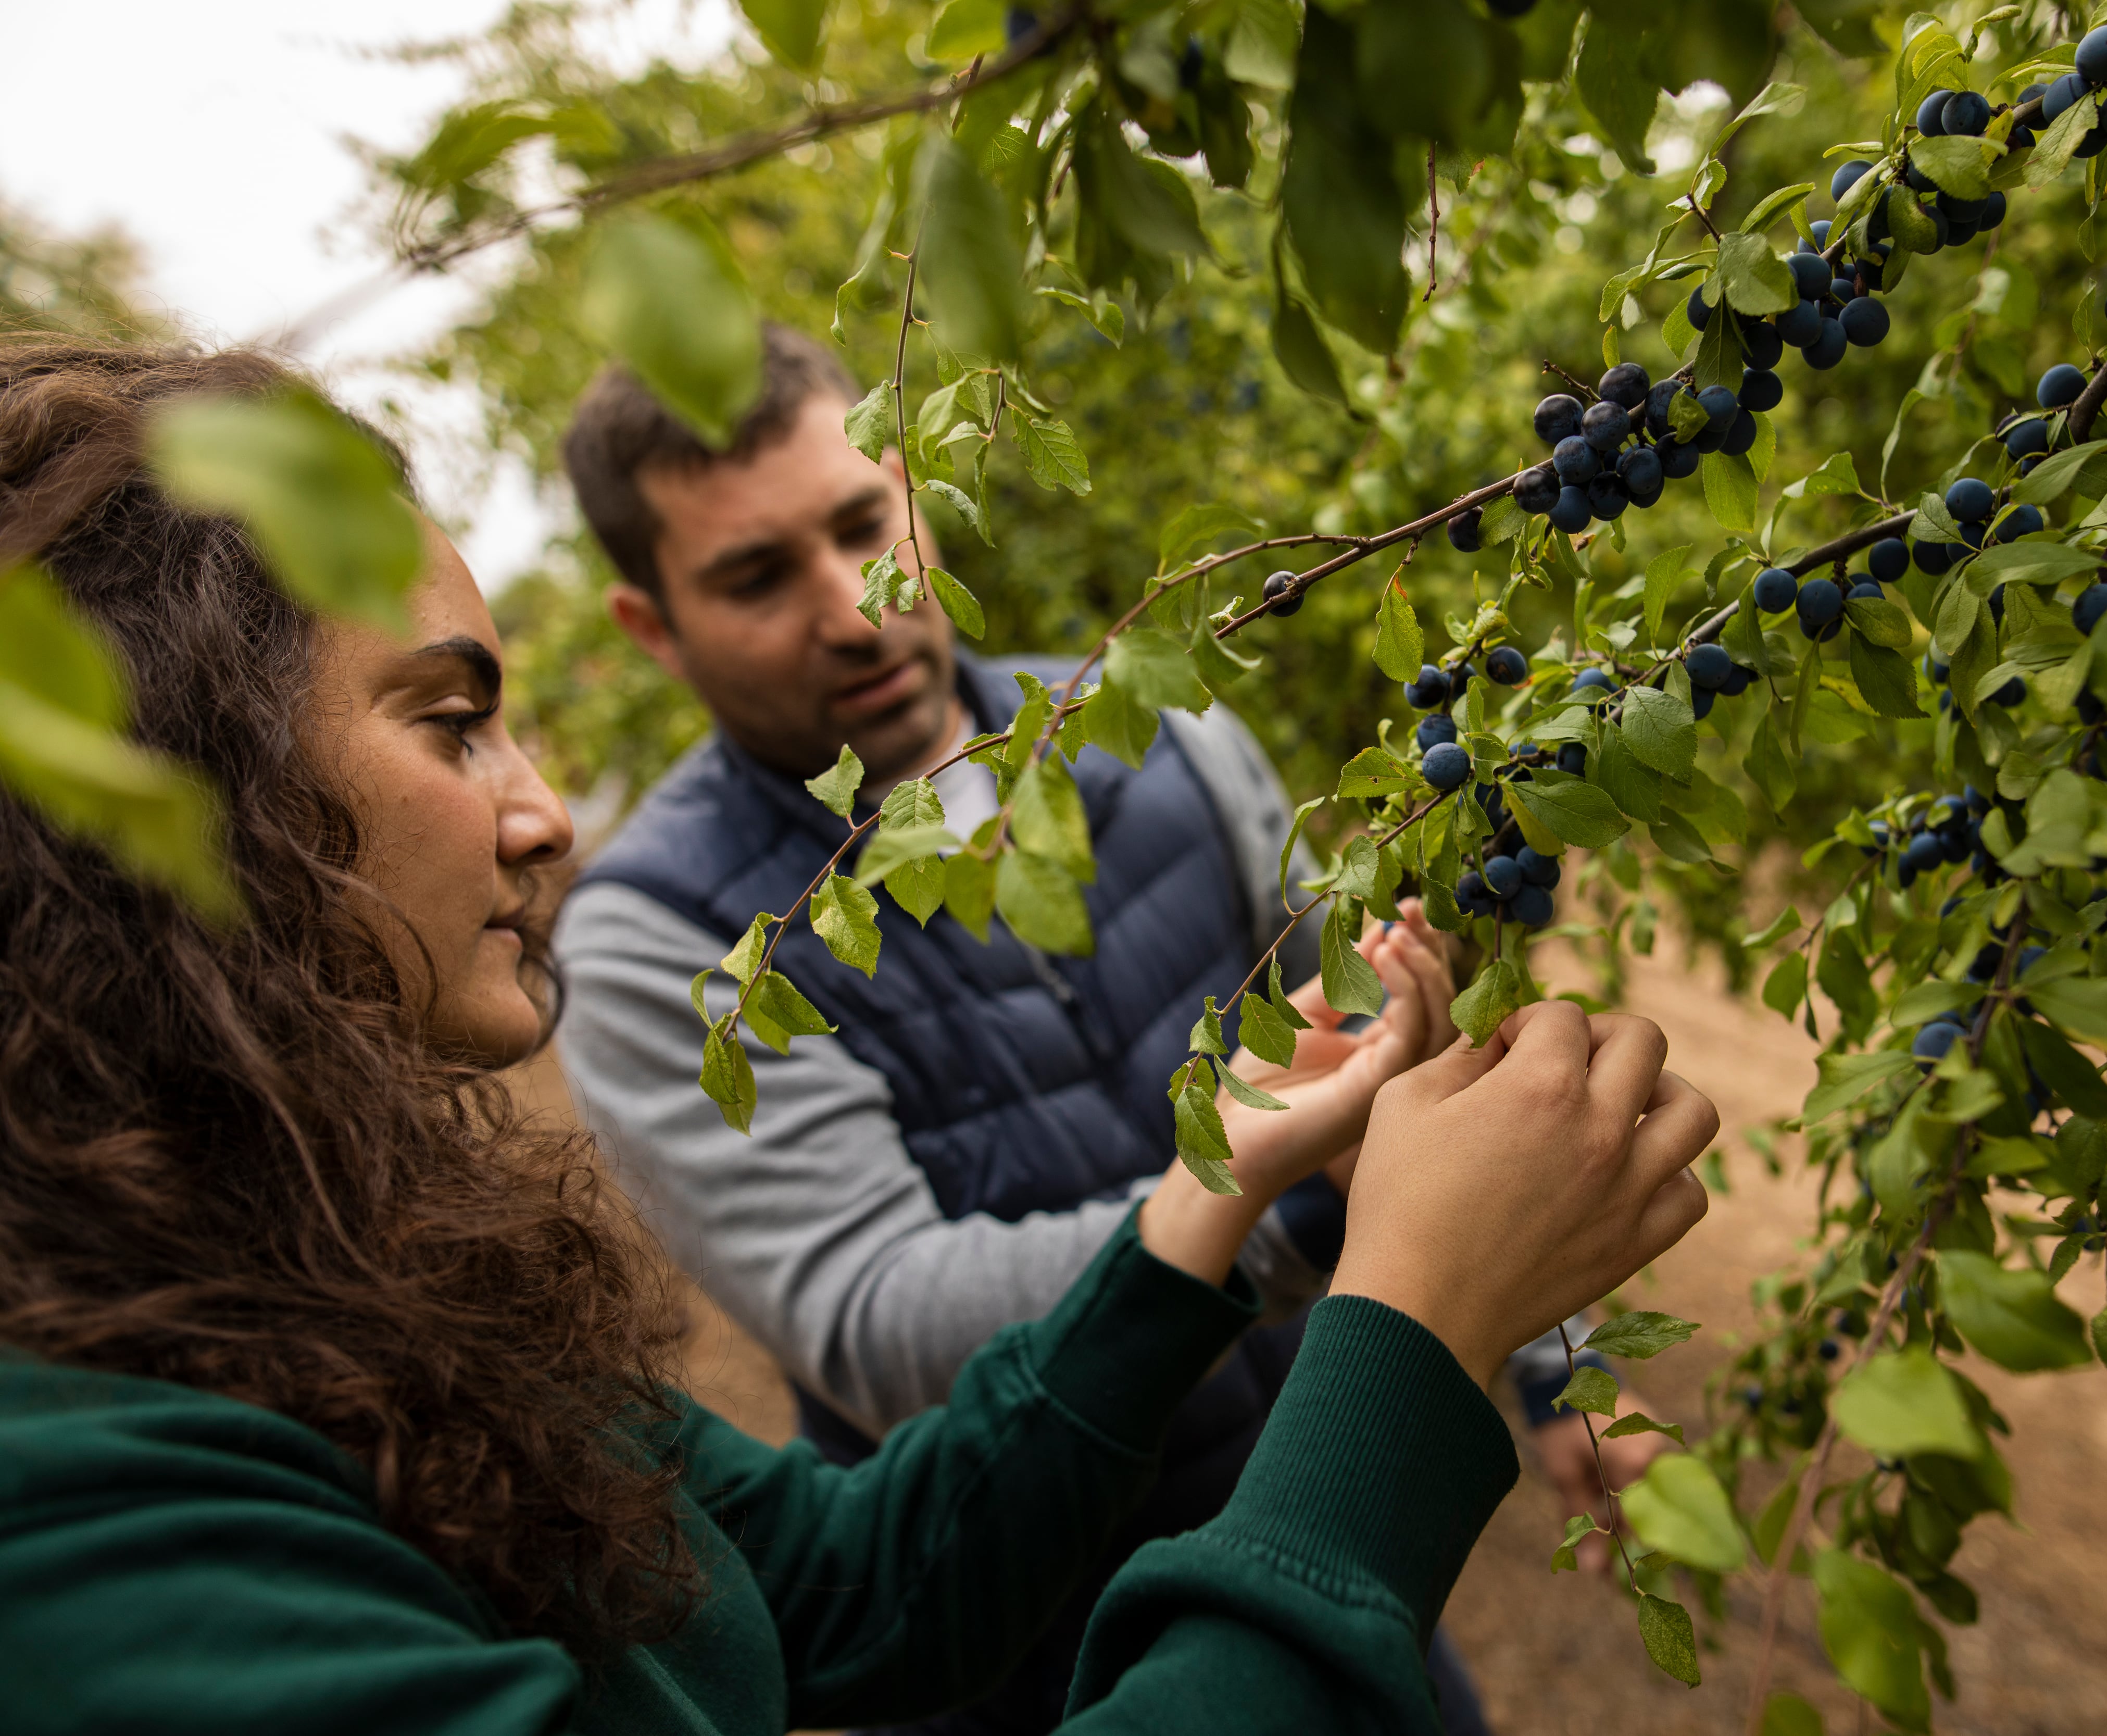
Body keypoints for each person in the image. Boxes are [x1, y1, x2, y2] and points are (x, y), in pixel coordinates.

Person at [0, 341, 1717, 1733]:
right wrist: (1387, 1295)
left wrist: (1234, 1186)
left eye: (862, 523)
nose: (543, 819)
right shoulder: (98, 1532)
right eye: (451, 724)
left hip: (1313, 1592)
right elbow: (879, 1325)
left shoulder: (325, 1272)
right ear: (167, 803)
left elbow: (832, 1582)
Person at [550, 328, 1671, 1721]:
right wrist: (1298, 1200)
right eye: (755, 577)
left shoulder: (1159, 726)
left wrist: (1560, 1368)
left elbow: (1393, 1048)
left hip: (1320, 1547)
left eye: (861, 527)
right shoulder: (662, 941)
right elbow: (882, 1328)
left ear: (911, 489)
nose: (853, 607)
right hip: (1027, 1657)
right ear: (651, 626)